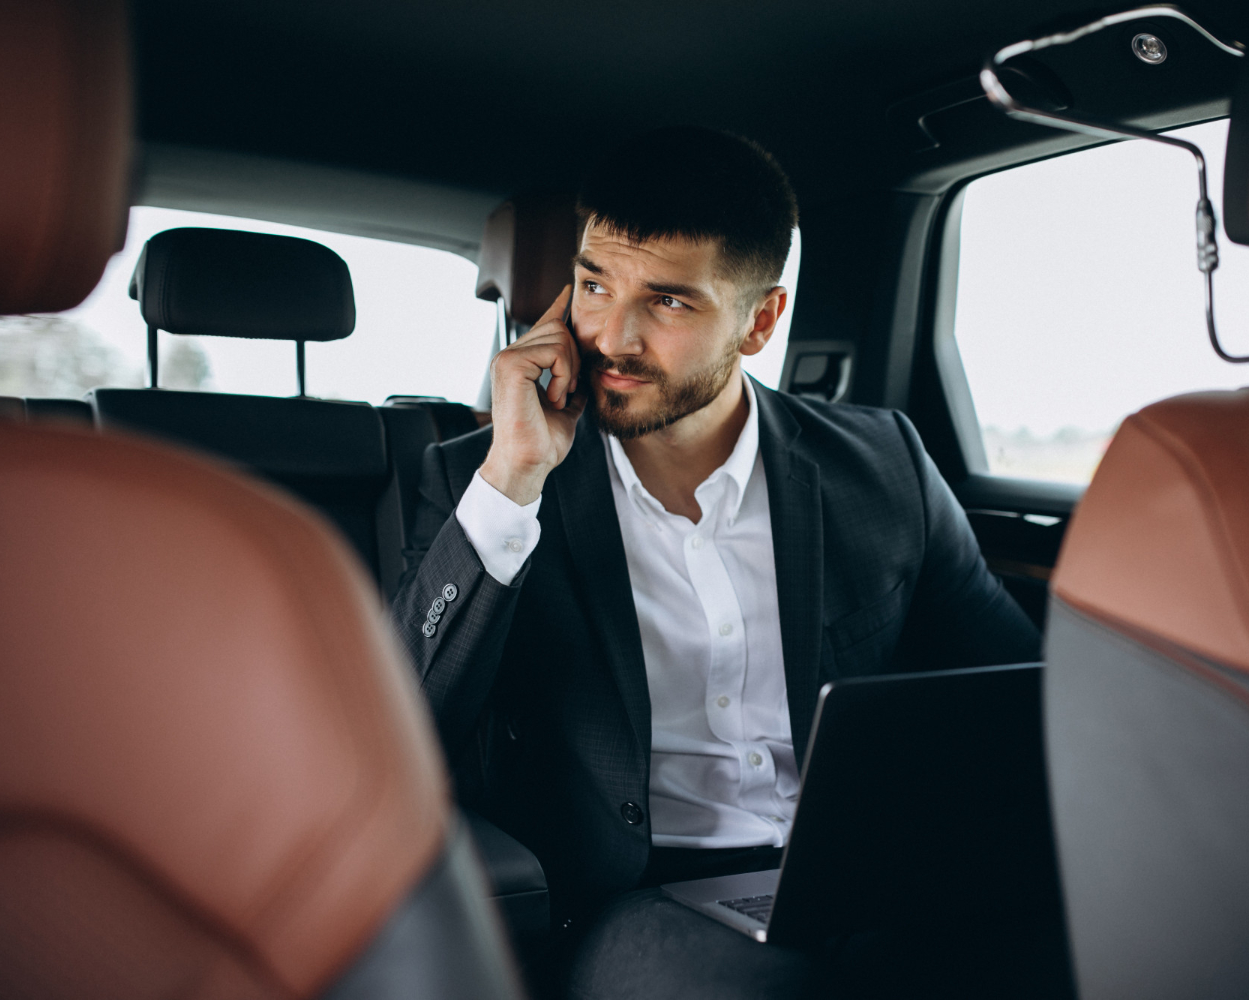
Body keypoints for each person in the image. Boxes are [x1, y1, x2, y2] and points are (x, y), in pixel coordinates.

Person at [392, 126, 1042, 997]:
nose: (610, 336)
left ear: (760, 321)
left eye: (667, 302)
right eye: (593, 284)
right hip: (624, 903)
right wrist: (513, 480)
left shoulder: (882, 464)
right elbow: (402, 722)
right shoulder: (476, 481)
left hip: (861, 881)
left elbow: (1016, 688)